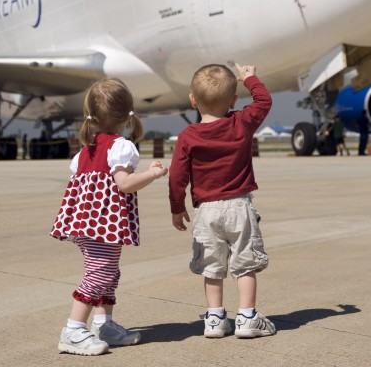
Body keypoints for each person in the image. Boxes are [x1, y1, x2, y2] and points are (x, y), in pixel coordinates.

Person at [50, 78, 168, 356]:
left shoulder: (84, 151)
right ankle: (73, 329)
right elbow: (124, 184)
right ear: (128, 115)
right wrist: (153, 173)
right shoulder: (121, 147)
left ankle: (104, 325)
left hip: (86, 222)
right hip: (101, 224)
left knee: (108, 272)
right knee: (99, 273)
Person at [169, 63, 276, 340]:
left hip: (207, 210)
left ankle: (215, 319)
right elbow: (264, 101)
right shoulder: (241, 122)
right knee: (245, 265)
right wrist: (250, 77)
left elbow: (177, 177)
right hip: (239, 205)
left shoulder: (188, 136)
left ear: (193, 99)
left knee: (212, 267)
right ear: (233, 100)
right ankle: (247, 317)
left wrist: (177, 207)